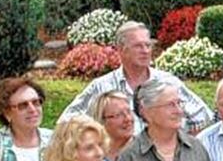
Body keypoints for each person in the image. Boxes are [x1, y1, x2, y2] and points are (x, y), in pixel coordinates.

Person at [61, 21, 212, 135]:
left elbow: (206, 119)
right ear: (121, 50)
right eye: (138, 46)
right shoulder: (101, 87)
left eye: (148, 45)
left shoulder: (168, 83)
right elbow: (66, 123)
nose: (145, 51)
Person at [88, 90, 136, 161]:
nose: (128, 119)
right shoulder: (91, 158)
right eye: (118, 115)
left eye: (129, 112)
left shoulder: (147, 152)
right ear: (101, 121)